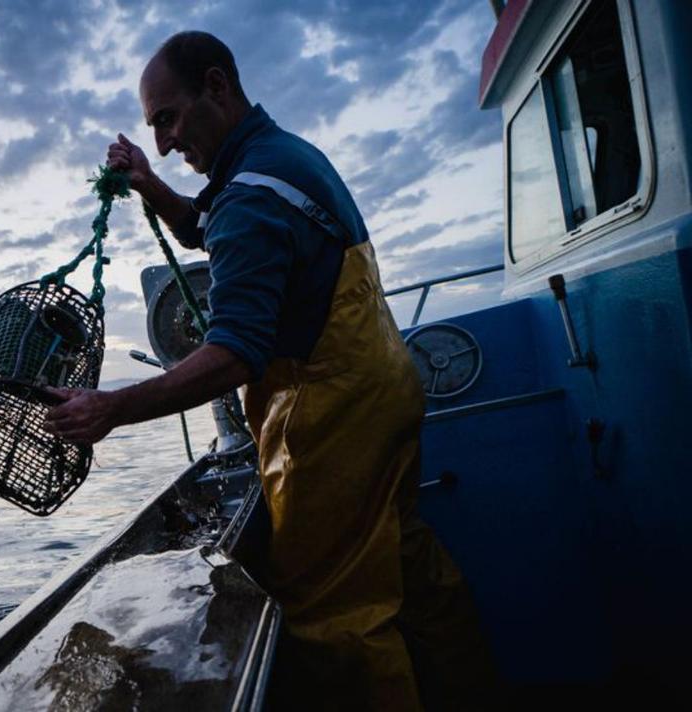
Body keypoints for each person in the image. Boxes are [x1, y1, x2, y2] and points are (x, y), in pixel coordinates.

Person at [44, 30, 493, 710]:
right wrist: (148, 180)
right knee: (407, 565)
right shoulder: (275, 158)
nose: (164, 140)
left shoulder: (250, 195)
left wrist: (110, 409)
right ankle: (474, 694)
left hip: (335, 422)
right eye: (152, 129)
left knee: (337, 617)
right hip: (386, 392)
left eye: (167, 118)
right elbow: (206, 224)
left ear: (216, 87)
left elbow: (234, 354)